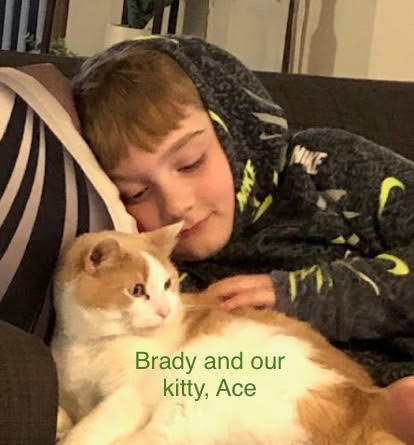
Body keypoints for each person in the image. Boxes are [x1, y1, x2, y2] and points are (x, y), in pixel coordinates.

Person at [72, 35, 414, 443]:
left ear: (236, 130)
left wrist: (302, 295)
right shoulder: (165, 290)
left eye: (191, 162)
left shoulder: (321, 167)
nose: (177, 204)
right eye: (137, 193)